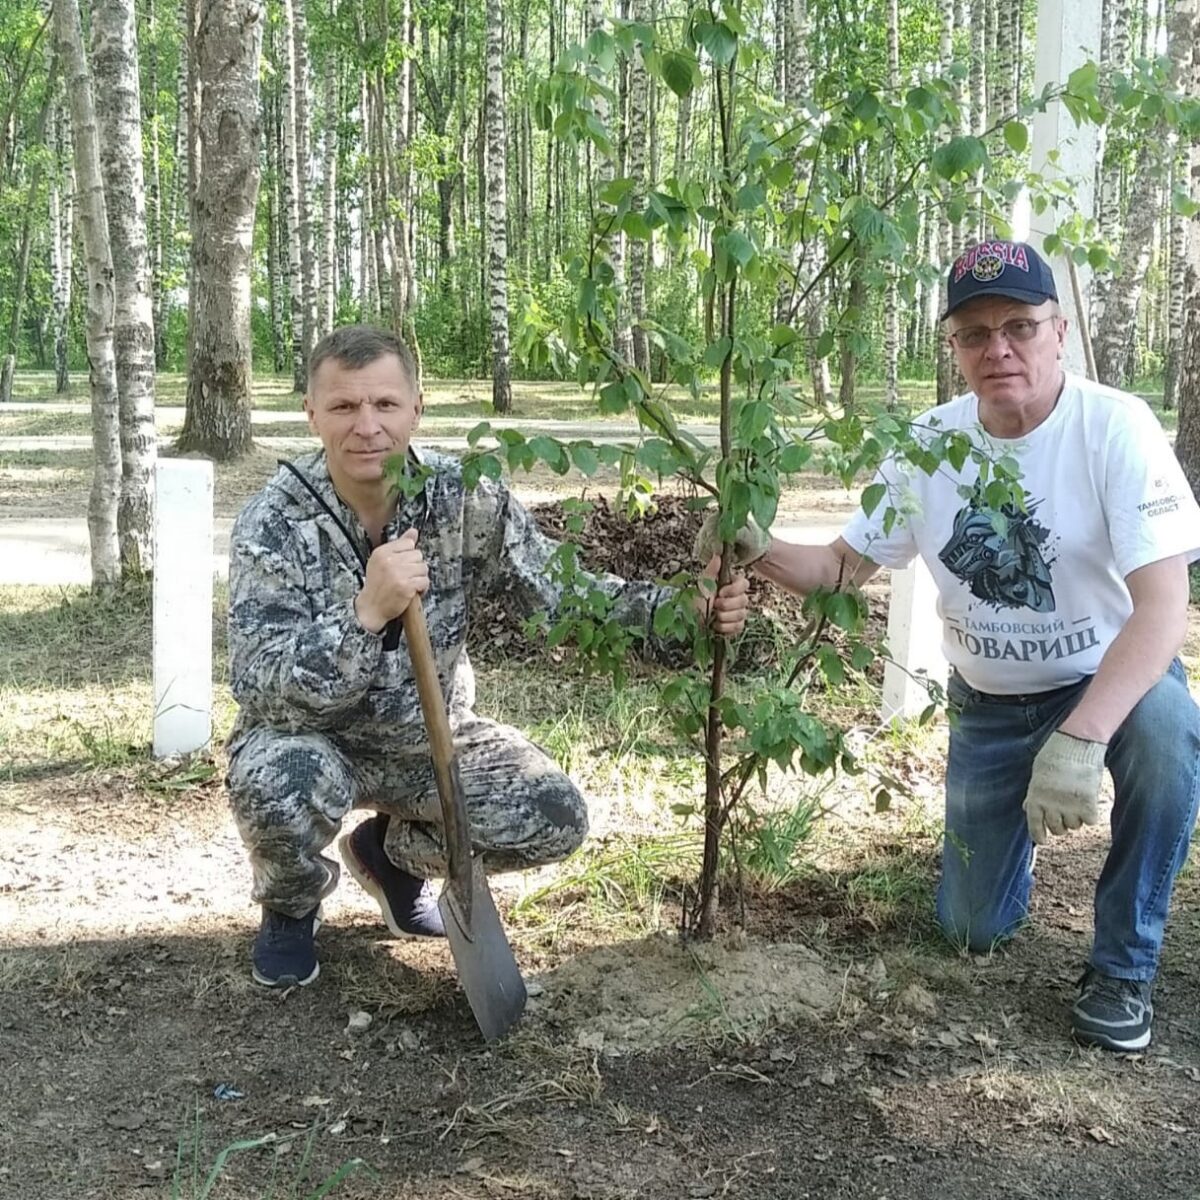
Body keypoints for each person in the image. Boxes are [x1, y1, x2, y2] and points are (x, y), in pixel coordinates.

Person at [698, 240, 1200, 1052]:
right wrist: (757, 547)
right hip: (992, 707)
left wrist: (1082, 736)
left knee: (1170, 738)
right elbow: (841, 569)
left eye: (1019, 327)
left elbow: (1163, 608)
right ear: (954, 347)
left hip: (1109, 683)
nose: (998, 349)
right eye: (974, 334)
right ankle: (1011, 856)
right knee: (972, 928)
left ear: (1058, 331)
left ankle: (1123, 962)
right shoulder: (929, 445)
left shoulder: (1116, 429)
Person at [227, 325, 748, 989]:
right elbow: (260, 682)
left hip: (431, 740)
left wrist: (682, 616)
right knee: (277, 786)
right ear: (311, 413)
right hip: (310, 738)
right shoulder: (274, 522)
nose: (367, 426)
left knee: (552, 816)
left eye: (385, 404)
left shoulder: (465, 496)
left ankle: (393, 860)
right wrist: (366, 615)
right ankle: (291, 906)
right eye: (344, 406)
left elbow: (562, 597)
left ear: (417, 408)